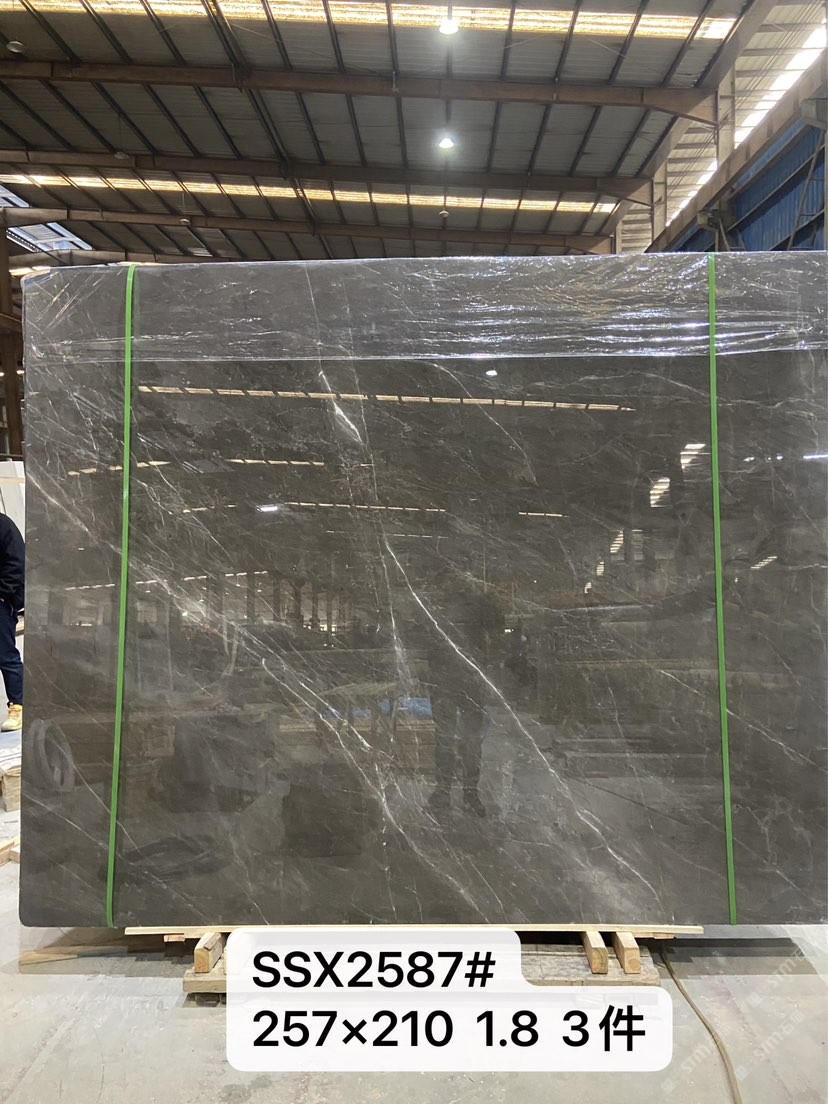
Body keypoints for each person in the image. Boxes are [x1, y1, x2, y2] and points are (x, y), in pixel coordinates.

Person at [0, 512, 24, 732]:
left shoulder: (3, 525)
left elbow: (16, 562)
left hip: (1, 603)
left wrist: (3, 594)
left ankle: (18, 707)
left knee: (6, 656)